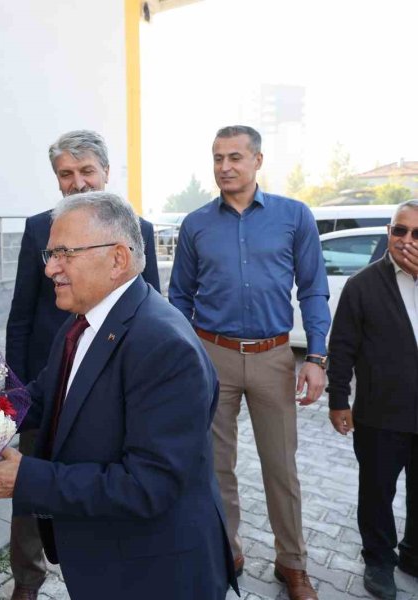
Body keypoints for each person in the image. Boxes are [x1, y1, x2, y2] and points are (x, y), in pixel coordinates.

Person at [0, 191, 237, 600]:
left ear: (118, 259)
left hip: (154, 573)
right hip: (107, 560)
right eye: (49, 254)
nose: (51, 268)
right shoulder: (83, 321)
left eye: (64, 253)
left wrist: (24, 478)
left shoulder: (163, 345)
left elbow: (148, 484)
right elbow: (43, 394)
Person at [169, 125, 330, 600]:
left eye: (235, 157)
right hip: (211, 355)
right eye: (218, 157)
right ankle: (226, 548)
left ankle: (292, 563)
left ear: (258, 160)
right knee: (216, 465)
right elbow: (179, 296)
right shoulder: (196, 224)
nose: (225, 167)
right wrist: (186, 354)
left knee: (280, 466)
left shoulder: (293, 216)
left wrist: (316, 357)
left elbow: (314, 289)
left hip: (273, 356)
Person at [3, 129, 161, 599]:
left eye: (86, 171)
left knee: (85, 482)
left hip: (104, 389)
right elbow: (21, 314)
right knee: (29, 488)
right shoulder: (39, 228)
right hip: (46, 385)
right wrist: (16, 394)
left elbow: (147, 306)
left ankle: (88, 568)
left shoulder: (139, 231)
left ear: (106, 174)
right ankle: (26, 581)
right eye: (66, 174)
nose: (77, 183)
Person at [326, 200, 418, 600]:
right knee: (377, 491)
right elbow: (342, 347)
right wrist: (338, 399)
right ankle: (378, 559)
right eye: (400, 231)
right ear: (388, 231)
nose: (407, 240)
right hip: (381, 413)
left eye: (417, 234)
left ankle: (413, 555)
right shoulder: (362, 284)